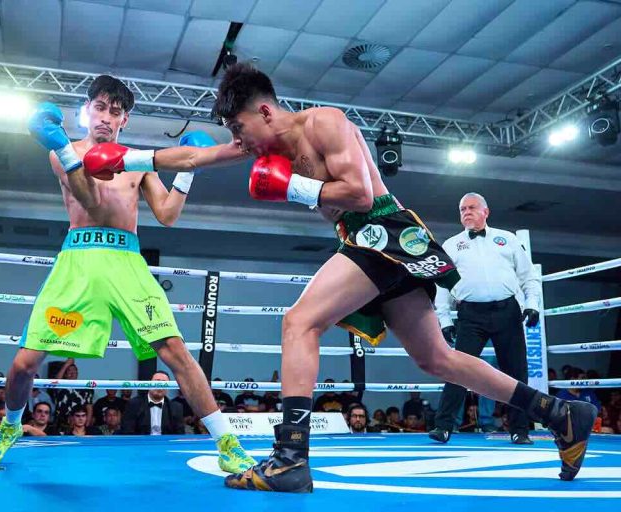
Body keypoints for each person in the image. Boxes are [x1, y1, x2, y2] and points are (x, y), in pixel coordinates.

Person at [83, 63, 598, 491]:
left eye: (239, 128)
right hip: (365, 240)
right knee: (436, 358)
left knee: (298, 322)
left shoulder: (325, 123)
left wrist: (292, 188)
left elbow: (360, 194)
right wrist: (126, 159)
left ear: (265, 111)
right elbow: (196, 156)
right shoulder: (263, 144)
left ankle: (290, 457)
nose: (238, 140)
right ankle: (558, 413)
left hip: (380, 229)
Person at [0, 75, 254, 474]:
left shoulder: (137, 162)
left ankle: (227, 442)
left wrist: (186, 174)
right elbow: (89, 199)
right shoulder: (63, 151)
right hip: (79, 260)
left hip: (127, 261)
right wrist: (62, 147)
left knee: (175, 351)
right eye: (100, 108)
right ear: (87, 110)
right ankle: (10, 426)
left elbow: (167, 215)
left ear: (125, 119)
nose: (106, 117)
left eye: (115, 111)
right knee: (24, 363)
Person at [431, 192, 541, 445]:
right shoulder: (451, 244)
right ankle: (443, 427)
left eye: (471, 207)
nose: (466, 212)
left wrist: (532, 304)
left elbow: (528, 276)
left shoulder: (508, 239)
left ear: (485, 212)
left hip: (507, 311)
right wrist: (445, 320)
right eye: (462, 209)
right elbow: (442, 287)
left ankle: (520, 430)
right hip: (471, 315)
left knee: (516, 372)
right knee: (458, 370)